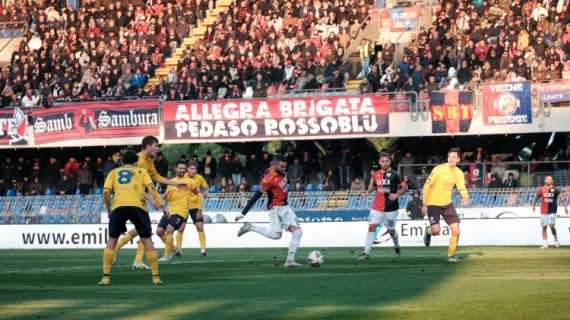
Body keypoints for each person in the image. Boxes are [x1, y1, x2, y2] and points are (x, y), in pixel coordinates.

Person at [113, 136, 186, 269]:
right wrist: (152, 199)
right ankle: (123, 254)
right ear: (147, 146)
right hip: (131, 199)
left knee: (142, 229)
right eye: (156, 145)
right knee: (142, 229)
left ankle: (135, 260)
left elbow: (156, 177)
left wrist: (175, 183)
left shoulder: (148, 161)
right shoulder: (137, 160)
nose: (158, 149)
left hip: (139, 198)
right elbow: (134, 185)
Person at [98, 150, 167, 286]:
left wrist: (108, 208)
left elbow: (106, 192)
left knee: (112, 239)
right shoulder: (141, 171)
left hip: (119, 206)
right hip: (138, 206)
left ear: (122, 161)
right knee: (147, 240)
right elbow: (151, 188)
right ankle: (156, 277)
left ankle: (105, 277)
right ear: (136, 162)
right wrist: (162, 205)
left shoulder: (113, 172)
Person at [235, 156, 303, 268]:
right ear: (274, 165)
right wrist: (243, 213)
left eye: (285, 166)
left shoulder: (281, 172)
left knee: (298, 232)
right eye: (281, 166)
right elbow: (257, 195)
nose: (284, 168)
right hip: (275, 208)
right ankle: (250, 227)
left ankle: (290, 261)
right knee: (276, 236)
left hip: (285, 207)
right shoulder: (268, 179)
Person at [422, 148, 470, 262]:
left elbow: (461, 187)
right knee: (436, 231)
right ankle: (428, 231)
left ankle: (451, 255)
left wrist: (465, 196)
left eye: (454, 157)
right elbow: (426, 187)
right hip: (433, 203)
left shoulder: (458, 173)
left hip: (448, 204)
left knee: (456, 231)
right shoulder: (438, 169)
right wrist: (424, 204)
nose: (451, 159)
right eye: (449, 157)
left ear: (458, 159)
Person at [359, 153, 408, 260]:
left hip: (391, 208)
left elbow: (405, 187)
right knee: (372, 227)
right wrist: (367, 192)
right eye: (382, 161)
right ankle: (366, 252)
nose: (385, 163)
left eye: (387, 161)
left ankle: (397, 247)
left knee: (391, 231)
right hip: (377, 207)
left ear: (390, 162)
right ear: (379, 162)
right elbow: (373, 188)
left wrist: (397, 194)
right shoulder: (376, 174)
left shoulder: (395, 174)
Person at [156, 161, 198, 261]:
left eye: (184, 168)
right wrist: (165, 198)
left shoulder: (190, 182)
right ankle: (175, 249)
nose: (182, 170)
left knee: (169, 230)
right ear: (176, 169)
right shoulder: (171, 182)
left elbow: (197, 194)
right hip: (171, 210)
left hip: (181, 211)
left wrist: (190, 202)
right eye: (180, 168)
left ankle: (167, 255)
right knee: (159, 231)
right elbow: (168, 198)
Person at [174, 161, 209, 257]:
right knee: (181, 228)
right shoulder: (182, 178)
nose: (193, 171)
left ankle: (203, 250)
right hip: (184, 206)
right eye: (191, 169)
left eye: (195, 169)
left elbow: (206, 187)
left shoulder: (200, 178)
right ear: (187, 169)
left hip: (195, 206)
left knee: (200, 226)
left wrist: (206, 192)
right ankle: (178, 250)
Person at [532, 176, 568, 249]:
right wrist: (533, 205)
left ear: (552, 181)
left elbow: (562, 198)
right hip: (543, 211)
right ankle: (545, 244)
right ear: (545, 180)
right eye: (548, 179)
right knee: (544, 227)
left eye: (550, 179)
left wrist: (565, 207)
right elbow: (536, 197)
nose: (549, 180)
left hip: (552, 211)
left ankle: (556, 239)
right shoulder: (541, 189)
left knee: (551, 226)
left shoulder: (556, 190)